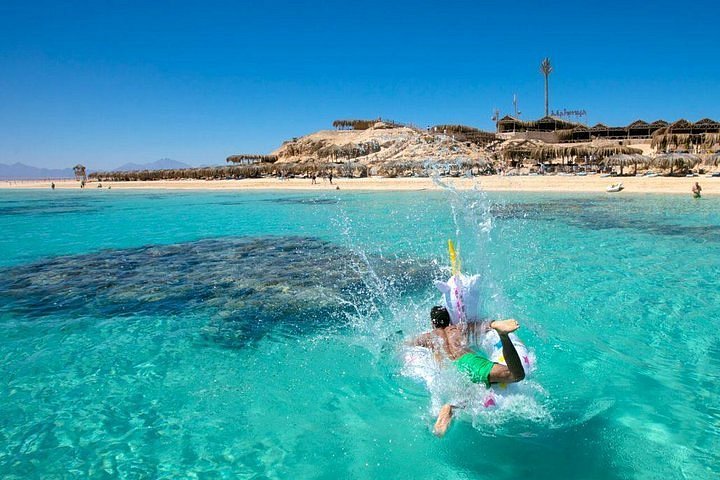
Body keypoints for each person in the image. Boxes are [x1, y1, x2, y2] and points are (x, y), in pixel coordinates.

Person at [410, 306, 526, 437]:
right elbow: (484, 326)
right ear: (449, 319)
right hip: (468, 361)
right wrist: (493, 324)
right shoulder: (457, 328)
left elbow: (408, 343)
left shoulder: (429, 337)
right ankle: (503, 336)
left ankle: (450, 409)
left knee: (467, 400)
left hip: (449, 370)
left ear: (432, 323)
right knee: (516, 375)